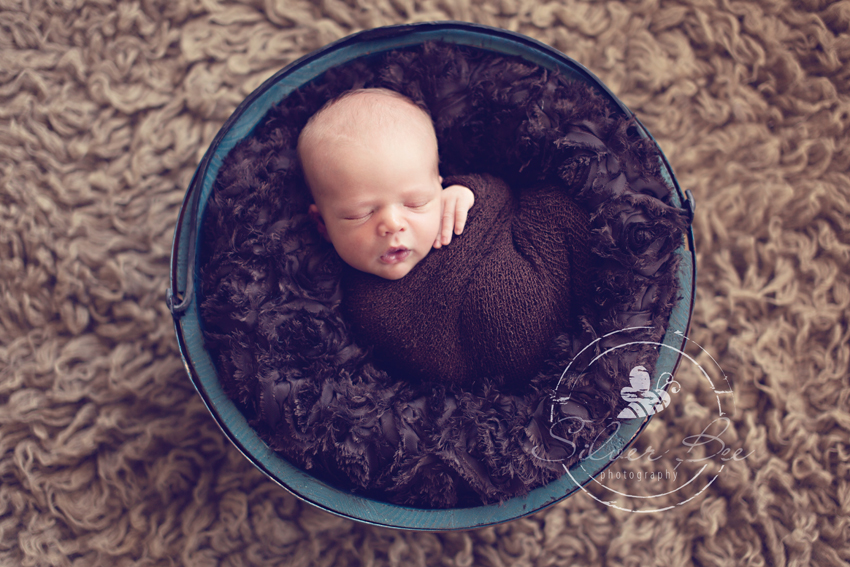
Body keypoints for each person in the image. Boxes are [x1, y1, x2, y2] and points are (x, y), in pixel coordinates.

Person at [298, 88, 590, 389]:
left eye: (414, 203)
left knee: (559, 205)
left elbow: (507, 199)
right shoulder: (358, 306)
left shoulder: (456, 200)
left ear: (438, 186)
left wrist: (471, 191)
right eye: (359, 214)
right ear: (323, 224)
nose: (392, 224)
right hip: (516, 382)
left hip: (548, 284)